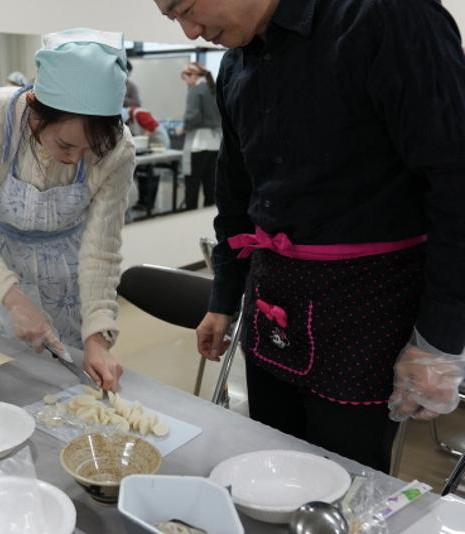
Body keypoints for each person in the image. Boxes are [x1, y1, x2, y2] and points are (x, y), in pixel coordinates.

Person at [155, 0, 465, 473]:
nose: (190, 31)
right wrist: (224, 297)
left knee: (345, 479)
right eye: (172, 18)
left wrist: (438, 340)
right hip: (272, 300)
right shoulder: (237, 63)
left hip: (368, 308)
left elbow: (455, 183)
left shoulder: (385, 17)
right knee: (268, 461)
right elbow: (236, 194)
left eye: (186, 7)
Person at [0, 28, 135, 392]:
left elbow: (101, 250)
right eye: (66, 144)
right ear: (35, 108)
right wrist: (15, 301)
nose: (75, 159)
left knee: (62, 395)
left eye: (89, 150)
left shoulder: (119, 149)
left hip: (67, 281)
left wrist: (97, 336)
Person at [179, 63, 221, 209]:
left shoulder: (195, 90)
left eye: (184, 77)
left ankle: (189, 216)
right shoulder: (214, 89)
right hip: (215, 143)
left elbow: (193, 117)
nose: (185, 81)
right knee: (210, 184)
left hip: (198, 144)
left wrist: (183, 128)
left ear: (192, 75)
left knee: (192, 185)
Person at [124, 106, 171, 214]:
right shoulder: (131, 118)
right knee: (142, 171)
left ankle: (148, 203)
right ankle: (143, 202)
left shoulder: (139, 113)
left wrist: (140, 140)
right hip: (150, 146)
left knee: (152, 172)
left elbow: (151, 127)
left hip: (159, 144)